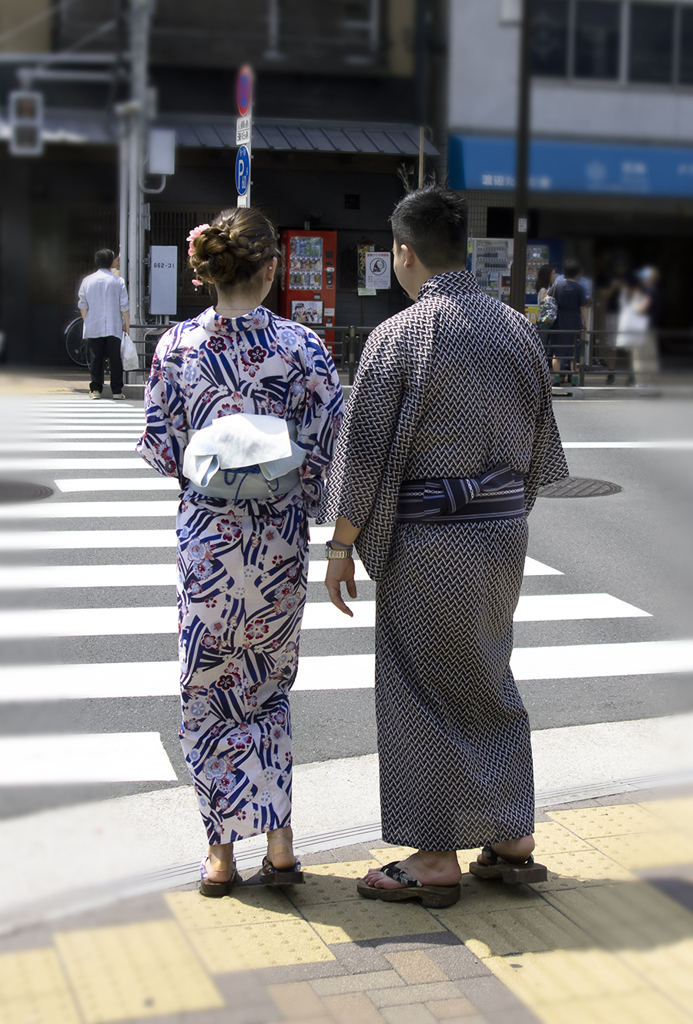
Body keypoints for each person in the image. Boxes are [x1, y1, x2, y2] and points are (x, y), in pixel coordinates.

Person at [321, 186, 568, 907]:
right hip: (501, 532)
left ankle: (432, 857)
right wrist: (500, 511)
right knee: (486, 674)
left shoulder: (400, 335)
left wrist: (342, 546)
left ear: (403, 251)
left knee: (420, 687)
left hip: (429, 539)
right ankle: (509, 833)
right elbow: (543, 455)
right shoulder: (517, 330)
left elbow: (362, 452)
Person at [136, 208, 344, 896]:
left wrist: (215, 467)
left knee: (207, 693)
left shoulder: (174, 347)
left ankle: (220, 854)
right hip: (276, 545)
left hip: (207, 547)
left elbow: (163, 449)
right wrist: (287, 483)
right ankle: (280, 844)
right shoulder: (302, 346)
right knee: (266, 689)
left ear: (209, 270)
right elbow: (325, 447)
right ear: (269, 270)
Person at [78, 248, 130, 400]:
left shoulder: (87, 280)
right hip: (114, 325)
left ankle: (96, 390)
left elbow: (82, 304)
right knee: (115, 359)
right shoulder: (118, 281)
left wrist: (86, 320)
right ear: (110, 261)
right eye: (114, 259)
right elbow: (124, 305)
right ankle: (117, 391)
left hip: (93, 325)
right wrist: (127, 323)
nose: (116, 261)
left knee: (96, 358)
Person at [548, 259, 588, 382]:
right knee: (574, 353)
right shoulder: (580, 288)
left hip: (559, 321)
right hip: (574, 321)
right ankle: (574, 380)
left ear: (564, 272)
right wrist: (586, 322)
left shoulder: (556, 286)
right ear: (577, 273)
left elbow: (549, 299)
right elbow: (582, 307)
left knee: (557, 353)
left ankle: (557, 379)